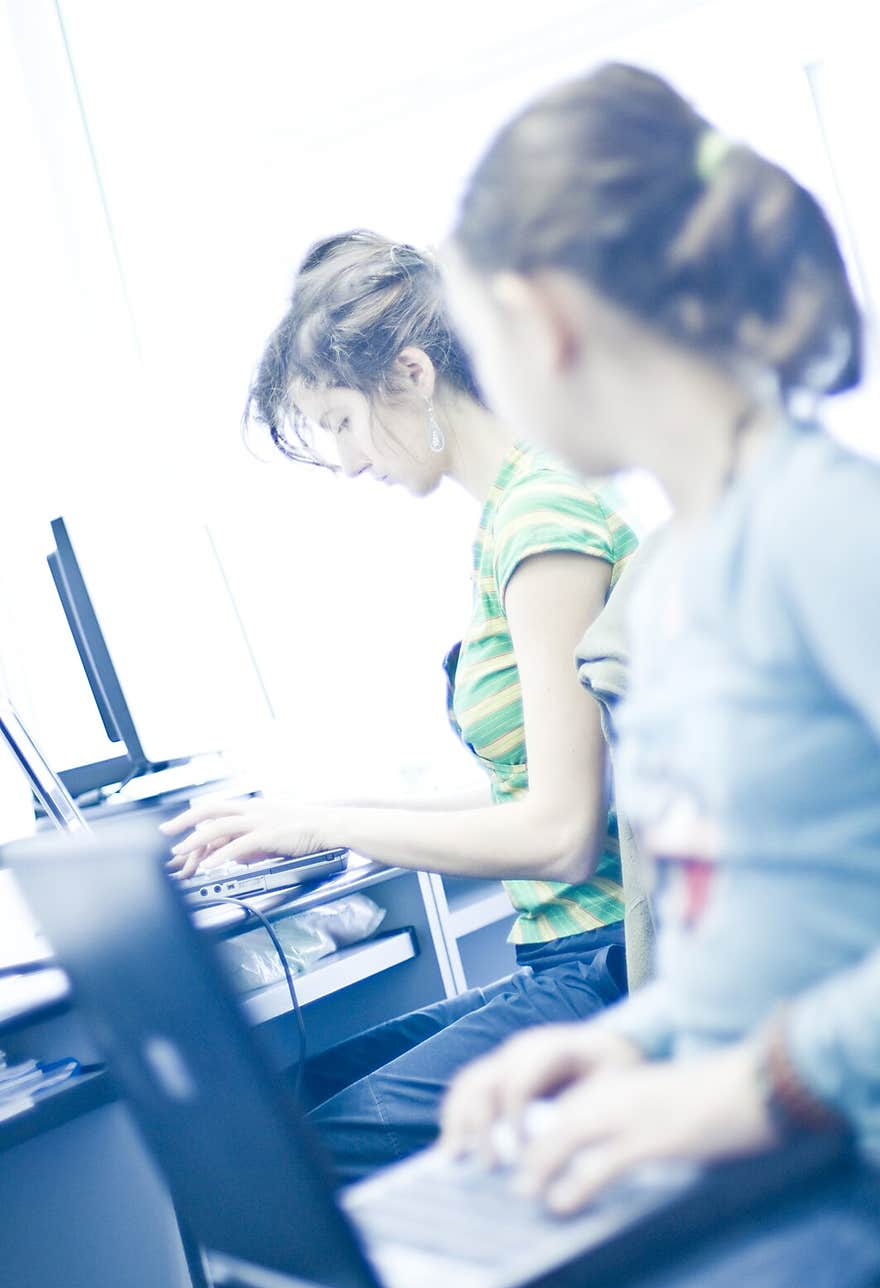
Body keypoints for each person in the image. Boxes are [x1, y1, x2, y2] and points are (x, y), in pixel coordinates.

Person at [434, 62, 880, 1288]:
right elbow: (751, 903)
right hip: (771, 1148)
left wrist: (762, 1083)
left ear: (541, 319)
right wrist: (638, 1036)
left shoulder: (824, 531)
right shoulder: (675, 565)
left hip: (838, 1161)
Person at [161, 230, 639, 1183]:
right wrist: (302, 821)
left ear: (412, 375)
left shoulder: (544, 526)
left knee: (315, 1154)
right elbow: (529, 789)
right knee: (291, 1099)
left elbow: (558, 832)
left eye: (339, 423)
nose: (342, 462)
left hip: (611, 963)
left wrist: (338, 824)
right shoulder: (510, 515)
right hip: (566, 956)